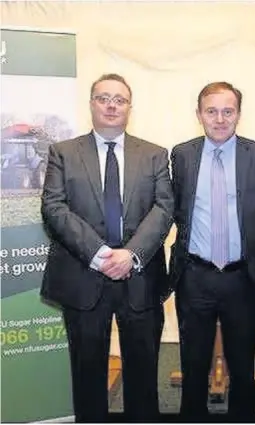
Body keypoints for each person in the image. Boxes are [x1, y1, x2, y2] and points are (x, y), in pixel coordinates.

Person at [40, 73, 174, 423]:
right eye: (104, 98)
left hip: (140, 279)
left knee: (143, 378)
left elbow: (164, 208)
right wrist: (101, 255)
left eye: (120, 99)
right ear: (91, 104)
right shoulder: (63, 153)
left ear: (130, 106)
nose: (112, 105)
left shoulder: (156, 155)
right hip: (83, 278)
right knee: (87, 378)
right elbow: (54, 207)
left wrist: (130, 255)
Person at [169, 81, 255, 419]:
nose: (219, 119)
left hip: (242, 278)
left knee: (243, 367)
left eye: (227, 111)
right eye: (211, 111)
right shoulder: (182, 154)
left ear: (239, 114)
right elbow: (177, 208)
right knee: (194, 366)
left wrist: (251, 247)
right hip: (195, 276)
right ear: (198, 114)